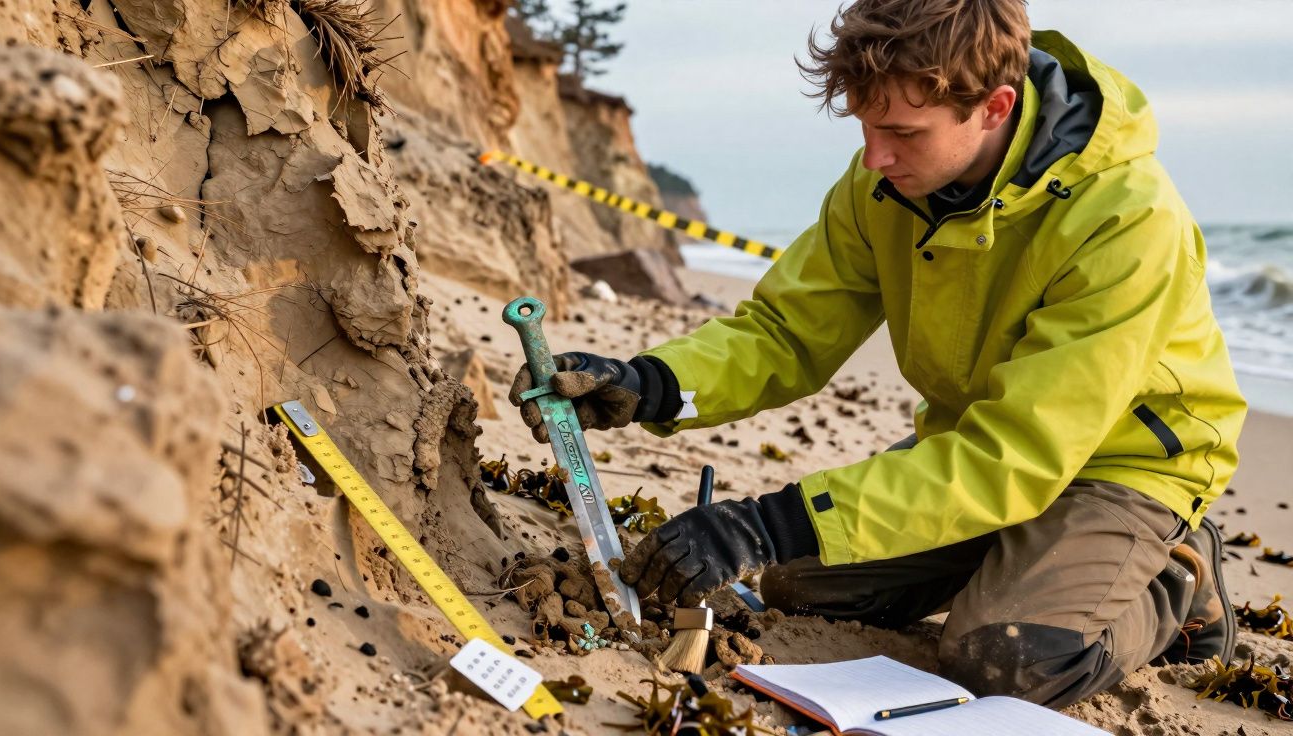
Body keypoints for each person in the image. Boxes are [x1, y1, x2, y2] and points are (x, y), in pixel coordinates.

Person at [510, 0, 1246, 708]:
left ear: (993, 106)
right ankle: (1033, 558)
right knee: (799, 585)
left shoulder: (1126, 217)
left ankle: (1174, 582)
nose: (874, 156)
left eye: (902, 131)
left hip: (1124, 463)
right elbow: (786, 330)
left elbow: (1019, 452)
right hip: (980, 447)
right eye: (864, 125)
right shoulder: (886, 182)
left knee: (1008, 657)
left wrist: (761, 524)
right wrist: (652, 383)